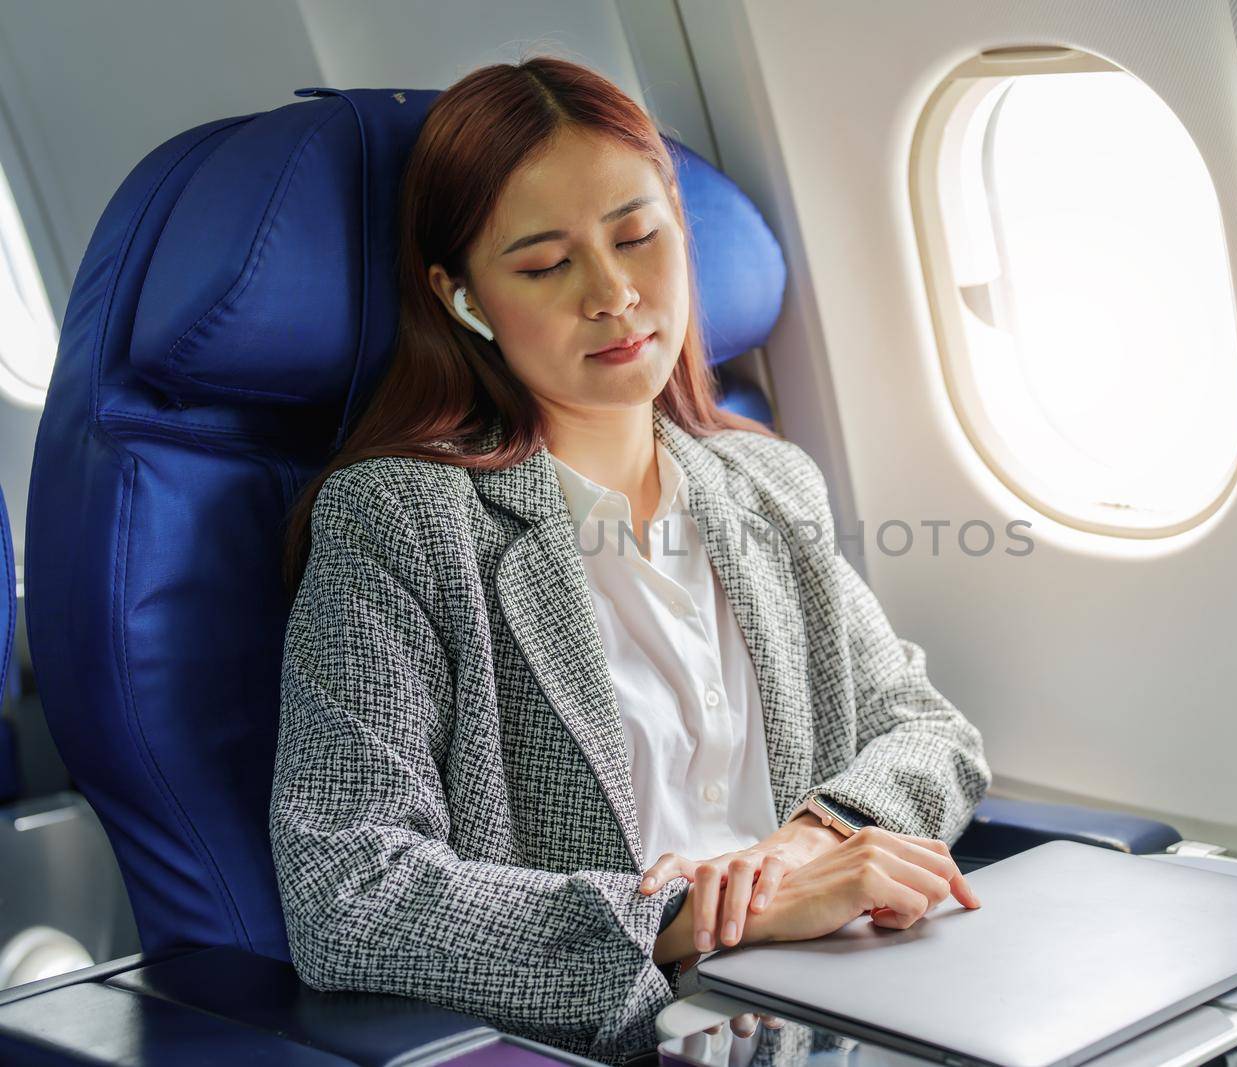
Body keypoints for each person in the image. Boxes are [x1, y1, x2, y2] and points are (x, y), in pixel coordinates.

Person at [271, 54, 990, 1065]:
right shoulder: (400, 521)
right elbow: (350, 888)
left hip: (840, 1008)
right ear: (462, 296)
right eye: (543, 263)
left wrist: (819, 837)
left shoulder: (767, 486)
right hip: (622, 1034)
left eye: (637, 236)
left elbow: (926, 729)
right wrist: (698, 914)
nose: (613, 292)